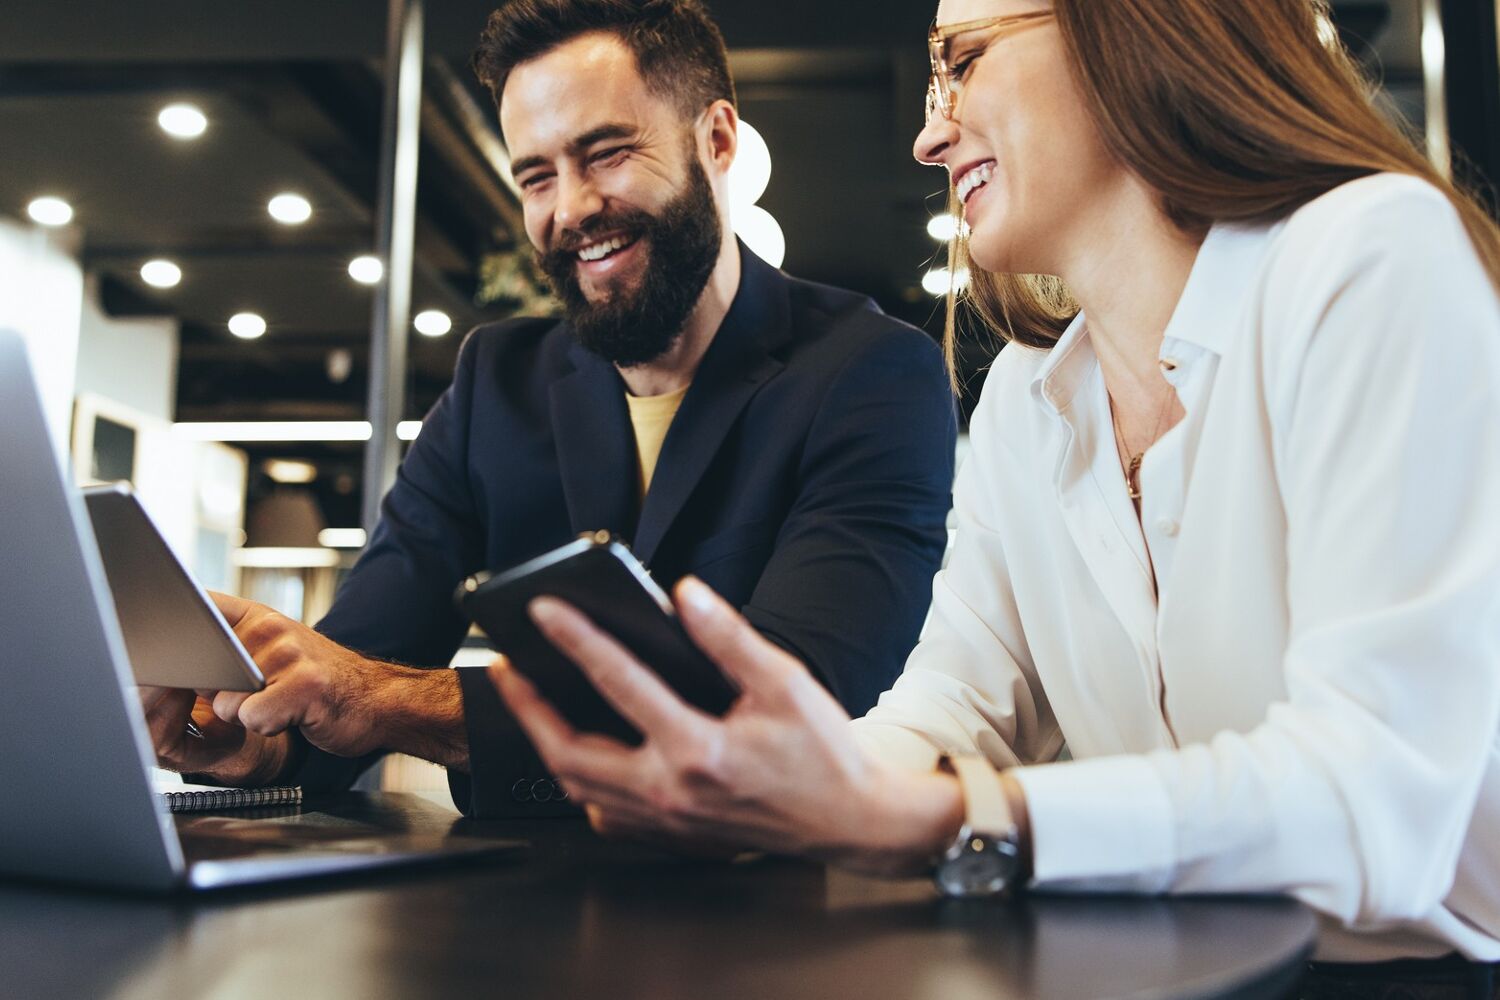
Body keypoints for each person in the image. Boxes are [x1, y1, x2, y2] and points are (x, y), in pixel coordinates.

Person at [491, 0, 1500, 978]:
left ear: (1134, 28)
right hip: (1181, 965)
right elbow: (953, 707)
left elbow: (1378, 802)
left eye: (961, 59)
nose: (930, 134)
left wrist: (942, 816)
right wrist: (771, 780)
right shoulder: (1029, 397)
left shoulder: (1370, 256)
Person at [145, 0, 956, 818]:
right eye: (536, 175)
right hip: (506, 910)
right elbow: (357, 663)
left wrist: (382, 696)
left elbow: (784, 707)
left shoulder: (871, 374)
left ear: (716, 141)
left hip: (779, 910)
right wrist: (257, 734)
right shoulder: (495, 383)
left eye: (605, 154)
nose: (568, 209)